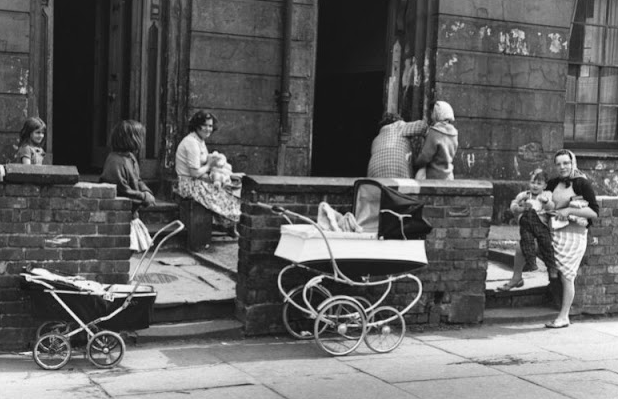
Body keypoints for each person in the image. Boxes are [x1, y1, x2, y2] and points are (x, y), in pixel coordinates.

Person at [501, 150, 599, 329]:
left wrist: (569, 211)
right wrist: (521, 205)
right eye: (559, 164)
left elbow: (594, 212)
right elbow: (538, 196)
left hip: (574, 236)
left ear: (572, 163)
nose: (562, 167)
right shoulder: (553, 183)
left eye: (566, 163)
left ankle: (564, 316)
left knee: (567, 276)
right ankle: (517, 277)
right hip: (554, 233)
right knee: (522, 246)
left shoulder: (582, 183)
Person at [175, 110, 240, 238]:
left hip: (199, 180)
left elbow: (204, 163)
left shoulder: (200, 140)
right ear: (197, 125)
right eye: (204, 125)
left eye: (210, 126)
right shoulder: (191, 143)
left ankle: (228, 224)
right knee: (225, 193)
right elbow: (194, 173)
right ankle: (227, 224)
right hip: (189, 184)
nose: (208, 129)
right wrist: (210, 165)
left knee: (234, 185)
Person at [99, 120, 156, 251]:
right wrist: (143, 197)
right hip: (118, 215)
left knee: (129, 249)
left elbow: (138, 180)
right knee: (122, 249)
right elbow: (120, 189)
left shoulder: (130, 157)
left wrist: (146, 192)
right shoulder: (115, 162)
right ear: (130, 139)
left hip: (130, 214)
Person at [498, 169, 556, 291]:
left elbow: (552, 206)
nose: (535, 186)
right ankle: (531, 264)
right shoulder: (524, 195)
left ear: (545, 185)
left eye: (539, 183)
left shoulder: (547, 195)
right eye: (533, 182)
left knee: (546, 244)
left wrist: (545, 202)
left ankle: (552, 267)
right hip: (528, 227)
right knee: (525, 242)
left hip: (541, 227)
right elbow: (513, 206)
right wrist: (521, 208)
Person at [367, 112, 428, 178]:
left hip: (374, 176)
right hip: (396, 171)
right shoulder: (398, 126)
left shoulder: (376, 139)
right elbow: (422, 126)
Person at [414, 101, 458, 180]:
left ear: (437, 114)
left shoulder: (435, 131)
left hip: (433, 175)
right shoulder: (454, 133)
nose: (431, 116)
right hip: (449, 176)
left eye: (433, 112)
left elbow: (425, 156)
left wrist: (415, 164)